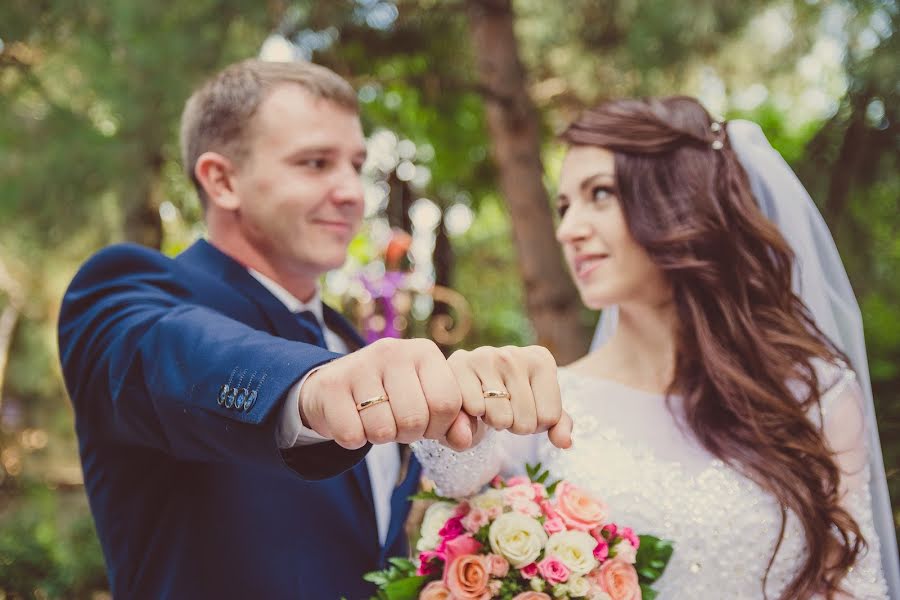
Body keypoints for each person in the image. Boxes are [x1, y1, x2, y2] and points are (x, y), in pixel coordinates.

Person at [57, 59, 569, 599]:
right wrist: (311, 390)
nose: (352, 192)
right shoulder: (129, 295)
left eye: (355, 165)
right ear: (222, 179)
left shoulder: (352, 343)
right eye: (315, 163)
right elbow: (174, 355)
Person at [414, 96, 896, 598]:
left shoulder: (814, 394)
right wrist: (455, 409)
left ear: (679, 199)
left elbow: (849, 583)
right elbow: (457, 489)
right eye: (564, 206)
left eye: (599, 193)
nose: (568, 230)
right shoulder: (550, 404)